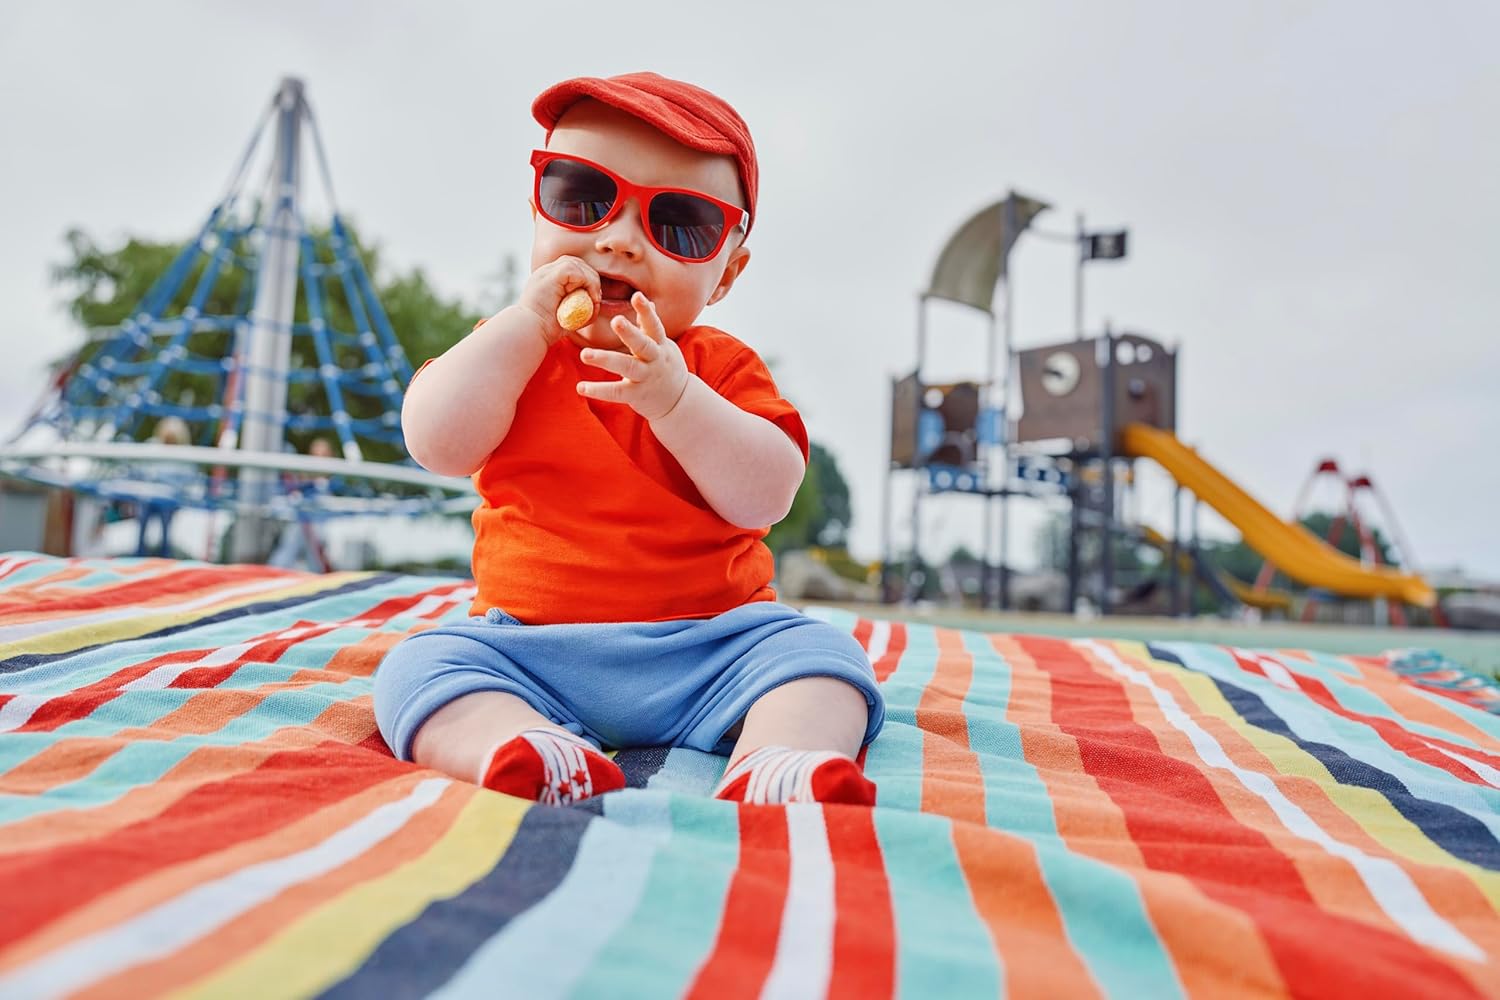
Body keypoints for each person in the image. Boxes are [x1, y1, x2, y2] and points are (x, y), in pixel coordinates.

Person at [373, 72, 884, 808]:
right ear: (537, 210)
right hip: (530, 651)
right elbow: (436, 443)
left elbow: (766, 495)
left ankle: (778, 759)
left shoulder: (716, 369)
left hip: (711, 649)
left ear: (727, 273)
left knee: (823, 658)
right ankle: (523, 746)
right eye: (583, 197)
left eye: (678, 224)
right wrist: (524, 326)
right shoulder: (510, 353)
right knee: (418, 668)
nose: (617, 239)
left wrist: (676, 402)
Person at [135, 415, 191, 557]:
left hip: (169, 499)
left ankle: (165, 553)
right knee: (144, 511)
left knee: (165, 513)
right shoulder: (152, 446)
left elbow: (185, 481)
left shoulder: (183, 454)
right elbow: (142, 471)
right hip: (150, 496)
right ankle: (140, 552)